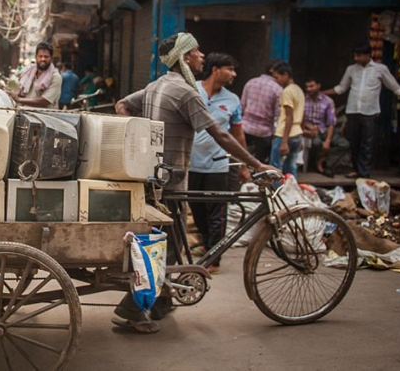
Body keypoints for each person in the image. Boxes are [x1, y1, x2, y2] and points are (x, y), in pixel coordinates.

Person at [113, 32, 279, 334]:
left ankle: (161, 301)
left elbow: (122, 104)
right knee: (162, 245)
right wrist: (256, 164)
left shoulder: (157, 86)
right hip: (171, 180)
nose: (202, 56)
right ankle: (134, 307)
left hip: (155, 177)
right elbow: (221, 134)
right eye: (197, 51)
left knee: (171, 242)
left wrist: (136, 138)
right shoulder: (186, 92)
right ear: (185, 57)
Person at [188, 53, 250, 275]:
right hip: (191, 164)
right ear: (215, 69)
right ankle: (207, 246)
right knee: (197, 211)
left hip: (218, 165)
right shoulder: (191, 89)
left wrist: (243, 165)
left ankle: (214, 259)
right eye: (230, 69)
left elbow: (238, 135)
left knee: (217, 213)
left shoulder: (232, 100)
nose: (233, 74)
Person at [324, 44, 400, 179]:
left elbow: (394, 87)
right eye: (355, 55)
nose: (356, 58)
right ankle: (356, 169)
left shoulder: (380, 69)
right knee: (354, 142)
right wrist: (322, 93)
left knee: (367, 143)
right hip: (353, 110)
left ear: (368, 55)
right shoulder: (351, 70)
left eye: (359, 56)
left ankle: (364, 172)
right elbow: (341, 88)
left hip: (370, 112)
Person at [241, 60, 285, 165]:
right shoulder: (278, 89)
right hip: (264, 132)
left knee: (240, 158)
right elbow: (277, 115)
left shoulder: (251, 82)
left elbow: (242, 106)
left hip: (245, 127)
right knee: (260, 163)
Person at [270, 62, 304, 177]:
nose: (276, 80)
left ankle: (276, 192)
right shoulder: (298, 90)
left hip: (284, 133)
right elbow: (301, 114)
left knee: (275, 167)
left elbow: (289, 116)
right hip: (297, 133)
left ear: (285, 75)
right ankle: (290, 190)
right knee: (291, 166)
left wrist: (284, 141)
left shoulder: (287, 91)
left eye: (277, 77)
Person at [8, 42, 62, 109]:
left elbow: (45, 101)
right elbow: (16, 86)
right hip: (25, 113)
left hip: (45, 116)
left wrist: (19, 99)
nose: (43, 59)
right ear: (36, 57)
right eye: (40, 56)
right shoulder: (29, 71)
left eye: (46, 57)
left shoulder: (55, 77)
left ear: (51, 59)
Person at [302, 76, 336, 175]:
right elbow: (298, 117)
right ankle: (315, 165)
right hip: (308, 131)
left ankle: (322, 162)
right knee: (316, 143)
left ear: (318, 86)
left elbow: (331, 122)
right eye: (307, 87)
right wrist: (308, 126)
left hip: (323, 129)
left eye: (311, 86)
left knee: (343, 144)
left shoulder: (328, 101)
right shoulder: (303, 99)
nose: (309, 89)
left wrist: (328, 140)